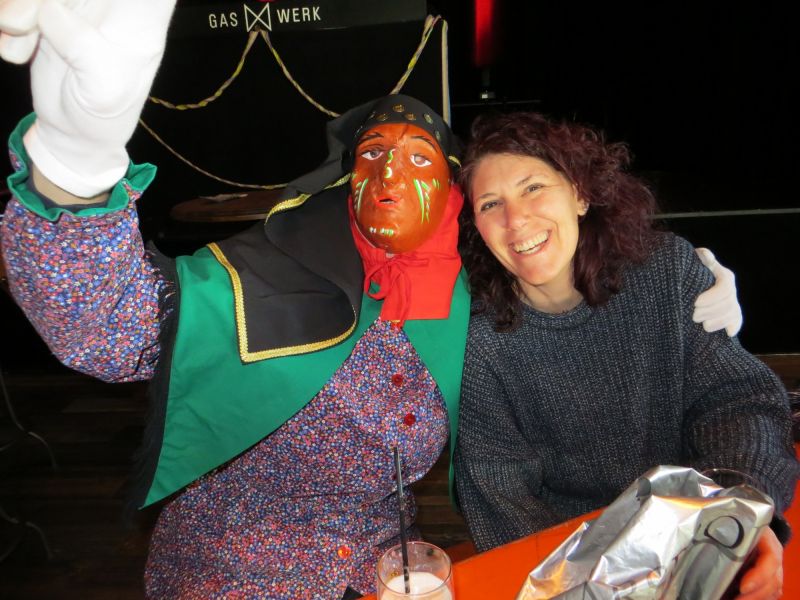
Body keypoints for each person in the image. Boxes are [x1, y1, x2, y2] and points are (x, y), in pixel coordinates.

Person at [0, 2, 743, 598]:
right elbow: (106, 328)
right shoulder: (262, 275)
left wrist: (672, 276)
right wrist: (74, 167)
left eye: (419, 159)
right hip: (229, 569)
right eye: (373, 155)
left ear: (451, 197)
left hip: (389, 568)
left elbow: (562, 303)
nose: (391, 174)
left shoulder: (475, 295)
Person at [453, 111, 799, 600]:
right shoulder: (481, 339)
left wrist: (737, 511)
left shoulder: (666, 272)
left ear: (580, 194)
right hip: (565, 561)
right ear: (477, 227)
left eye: (533, 188)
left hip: (692, 532)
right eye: (491, 204)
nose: (516, 219)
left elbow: (736, 403)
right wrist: (595, 582)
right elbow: (499, 491)